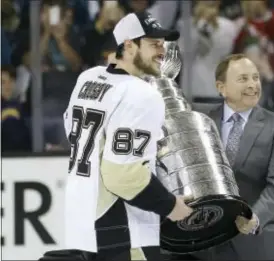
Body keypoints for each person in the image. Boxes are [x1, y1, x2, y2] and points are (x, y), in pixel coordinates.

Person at [39, 11, 193, 261]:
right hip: (124, 229)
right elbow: (122, 176)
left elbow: (72, 130)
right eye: (154, 44)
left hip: (83, 222)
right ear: (129, 45)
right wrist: (170, 206)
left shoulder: (88, 78)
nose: (162, 51)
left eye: (163, 44)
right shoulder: (142, 94)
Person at [168, 53, 274, 261]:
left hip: (259, 245)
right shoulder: (200, 121)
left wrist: (254, 217)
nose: (253, 84)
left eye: (255, 77)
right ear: (221, 87)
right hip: (206, 245)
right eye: (243, 79)